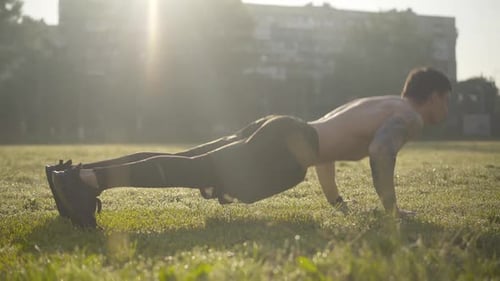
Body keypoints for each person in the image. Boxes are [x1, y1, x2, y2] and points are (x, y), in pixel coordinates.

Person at [46, 67, 451, 228]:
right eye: (445, 101)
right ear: (431, 95)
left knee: (186, 160)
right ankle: (86, 180)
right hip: (288, 145)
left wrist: (337, 204)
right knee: (192, 170)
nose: (444, 109)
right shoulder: (408, 117)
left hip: (285, 129)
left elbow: (323, 154)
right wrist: (391, 210)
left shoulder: (374, 103)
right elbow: (382, 152)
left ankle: (75, 176)